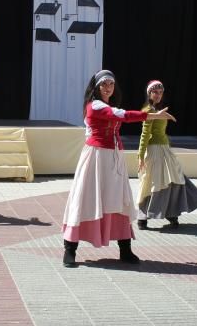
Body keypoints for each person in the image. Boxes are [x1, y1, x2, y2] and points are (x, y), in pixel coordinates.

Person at [61, 70, 175, 267]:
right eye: (104, 84)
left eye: (111, 84)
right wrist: (152, 116)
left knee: (119, 200)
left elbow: (117, 114)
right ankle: (70, 250)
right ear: (96, 87)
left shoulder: (105, 106)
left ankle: (125, 249)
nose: (108, 88)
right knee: (86, 199)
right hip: (95, 158)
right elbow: (120, 115)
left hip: (114, 159)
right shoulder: (94, 106)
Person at [136, 80, 197, 230]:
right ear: (149, 93)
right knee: (153, 182)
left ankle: (171, 212)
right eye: (155, 92)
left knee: (174, 178)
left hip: (164, 149)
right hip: (154, 150)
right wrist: (141, 156)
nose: (158, 95)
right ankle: (143, 217)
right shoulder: (149, 109)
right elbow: (144, 134)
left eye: (160, 92)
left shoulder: (158, 109)